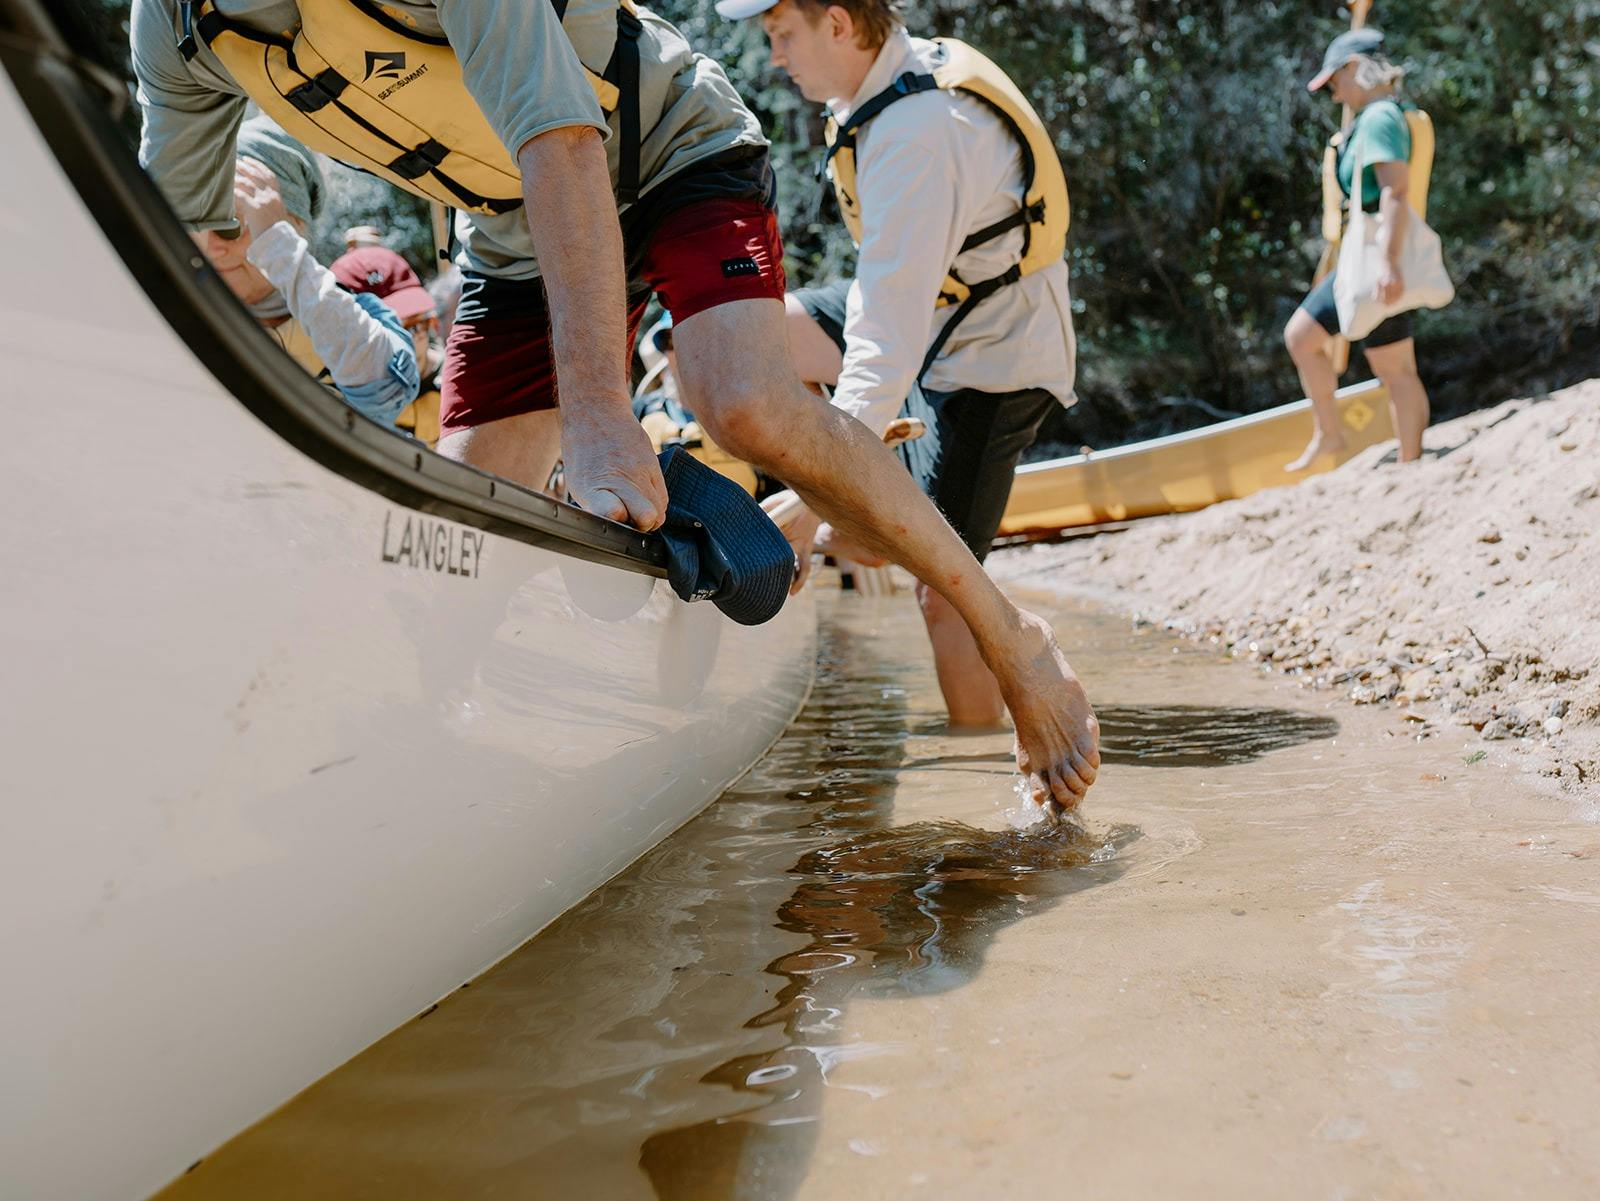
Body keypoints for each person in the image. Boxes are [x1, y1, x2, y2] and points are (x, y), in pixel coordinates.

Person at [129, 0, 1099, 809]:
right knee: (461, 538)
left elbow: (563, 139)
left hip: (671, 148)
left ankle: (1013, 639)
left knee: (743, 405)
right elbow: (180, 234)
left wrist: (597, 414)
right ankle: (386, 789)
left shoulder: (909, 126)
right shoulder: (172, 22)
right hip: (512, 225)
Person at [723, 0, 1078, 730]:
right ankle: (835, 527)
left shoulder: (919, 135)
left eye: (783, 36)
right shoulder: (880, 86)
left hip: (993, 362)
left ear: (840, 24)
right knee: (769, 334)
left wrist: (815, 492)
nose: (776, 58)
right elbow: (886, 312)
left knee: (947, 596)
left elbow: (885, 346)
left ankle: (978, 763)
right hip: (931, 324)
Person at [195, 116, 418, 424]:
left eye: (231, 224)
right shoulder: (191, 313)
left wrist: (279, 248)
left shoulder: (361, 314)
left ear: (294, 227)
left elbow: (386, 391)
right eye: (200, 224)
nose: (212, 247)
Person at [1286, 28, 1433, 471]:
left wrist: (1388, 264)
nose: (1334, 95)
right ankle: (1331, 435)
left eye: (1334, 82)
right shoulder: (1375, 115)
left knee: (1393, 367)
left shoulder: (1381, 118)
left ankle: (1411, 462)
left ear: (1354, 69)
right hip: (1363, 257)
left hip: (1377, 257)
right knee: (1303, 337)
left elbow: (1394, 192)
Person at [332, 245, 445, 444]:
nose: (402, 345)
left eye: (411, 327)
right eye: (378, 337)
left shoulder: (465, 388)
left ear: (432, 323)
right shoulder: (328, 401)